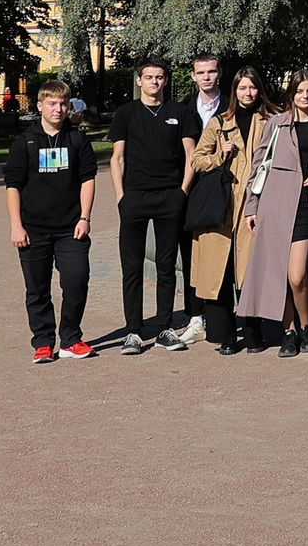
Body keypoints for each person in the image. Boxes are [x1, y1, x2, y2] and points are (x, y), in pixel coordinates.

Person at [236, 69, 308, 358]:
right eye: (299, 91)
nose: (305, 96)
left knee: (297, 275)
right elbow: (259, 166)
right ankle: (289, 331)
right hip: (276, 205)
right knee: (279, 273)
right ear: (291, 95)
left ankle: (307, 326)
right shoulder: (277, 124)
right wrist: (251, 206)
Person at [5, 77, 98, 363]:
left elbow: (87, 179)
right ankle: (43, 341)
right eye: (52, 103)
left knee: (76, 281)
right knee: (37, 289)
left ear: (69, 107)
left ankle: (71, 338)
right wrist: (16, 226)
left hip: (71, 228)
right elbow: (13, 186)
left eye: (63, 104)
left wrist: (84, 217)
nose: (58, 109)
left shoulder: (77, 140)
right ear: (39, 106)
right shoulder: (25, 142)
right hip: (33, 230)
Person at [187, 64, 271, 354]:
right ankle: (225, 335)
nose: (248, 93)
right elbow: (197, 160)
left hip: (256, 205)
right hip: (222, 206)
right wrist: (219, 157)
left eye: (253, 87)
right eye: (242, 88)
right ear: (234, 91)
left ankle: (253, 333)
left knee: (250, 271)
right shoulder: (220, 122)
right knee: (219, 271)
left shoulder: (270, 121)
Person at [107, 61, 190, 354]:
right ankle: (133, 332)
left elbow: (191, 155)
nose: (154, 82)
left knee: (166, 266)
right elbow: (117, 157)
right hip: (134, 197)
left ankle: (165, 328)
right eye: (149, 77)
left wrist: (181, 192)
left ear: (165, 81)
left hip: (169, 196)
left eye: (159, 77)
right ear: (139, 80)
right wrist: (121, 196)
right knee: (131, 267)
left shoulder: (180, 112)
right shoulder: (126, 113)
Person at [167, 51, 221, 343]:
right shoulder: (183, 111)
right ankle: (196, 316)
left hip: (225, 188)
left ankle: (225, 315)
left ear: (219, 73)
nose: (206, 77)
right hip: (192, 189)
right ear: (193, 76)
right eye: (201, 72)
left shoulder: (232, 105)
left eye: (211, 71)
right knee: (191, 254)